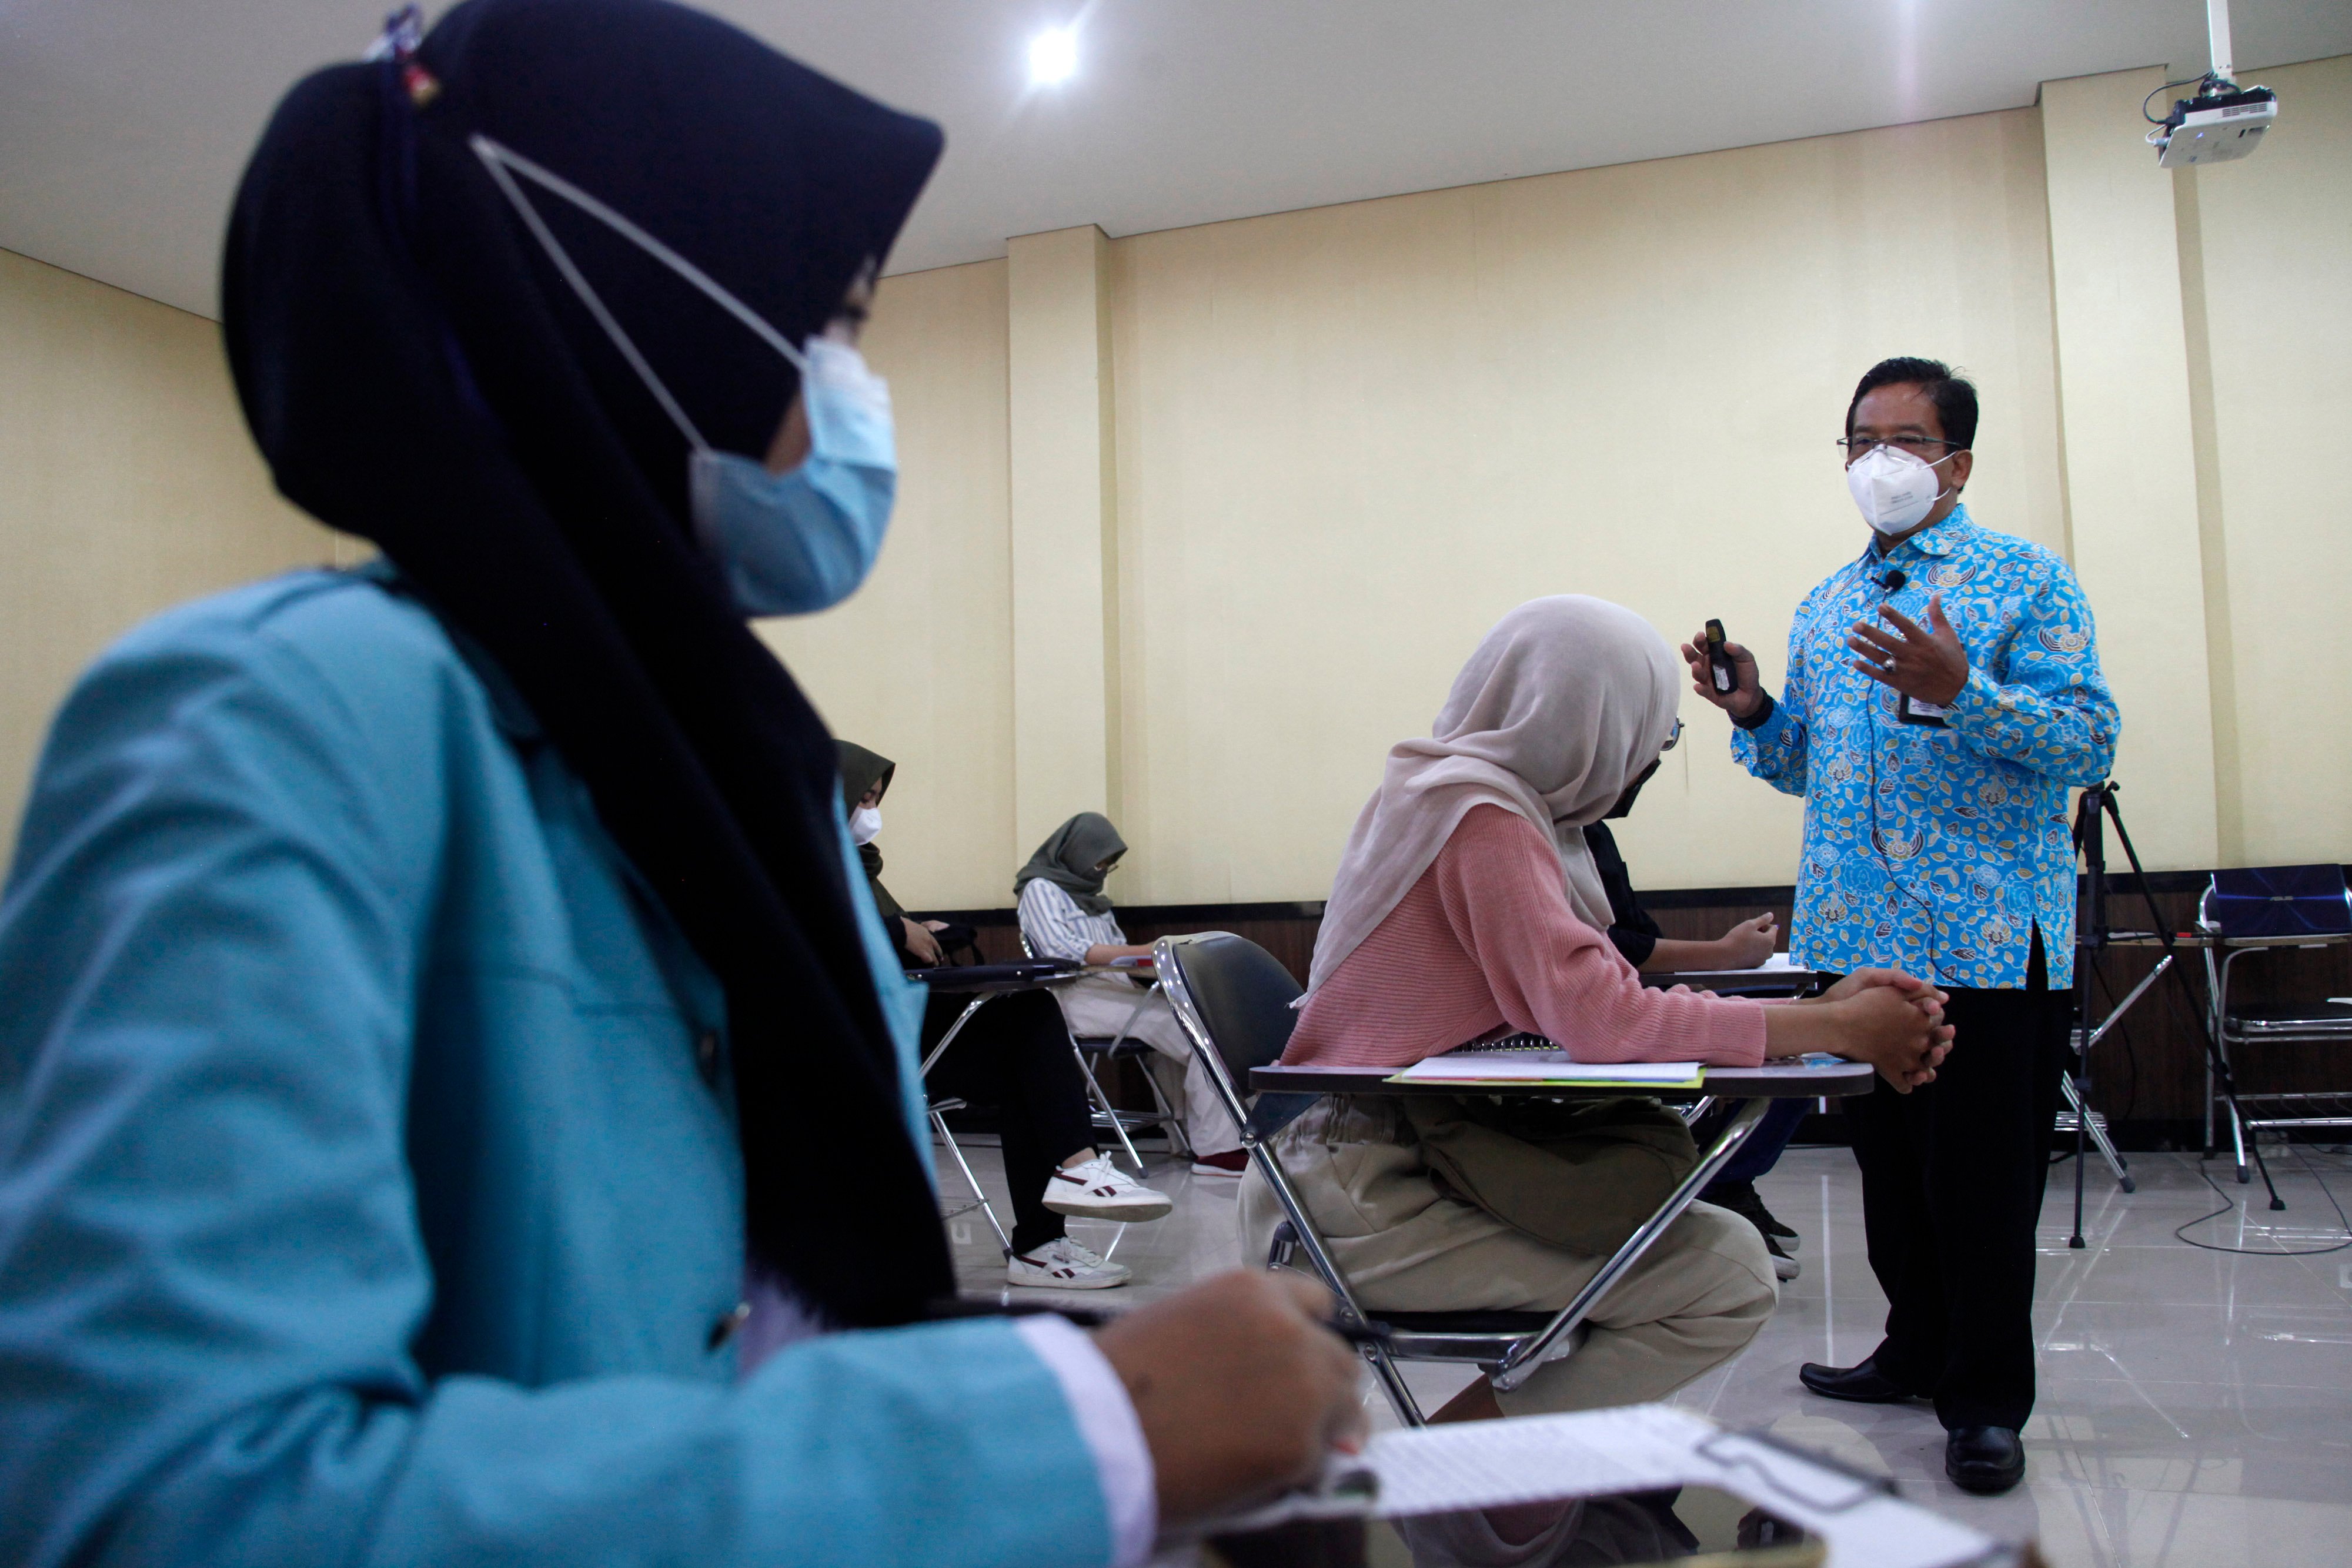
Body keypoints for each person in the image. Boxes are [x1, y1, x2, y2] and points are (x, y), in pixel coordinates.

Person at [0, 6, 1367, 1564]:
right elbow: (168, 1505)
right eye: (834, 323)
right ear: (658, 315)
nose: (853, 396)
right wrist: (1076, 1432)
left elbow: (778, 1335)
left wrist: (1123, 1473)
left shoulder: (741, 765)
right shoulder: (272, 718)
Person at [1246, 596, 1953, 1423]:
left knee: (1709, 1254)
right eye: (1652, 737)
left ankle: (1492, 1475)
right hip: (1361, 1199)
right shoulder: (1483, 818)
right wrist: (1830, 1027)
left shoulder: (1460, 796)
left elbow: (1603, 993)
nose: (1646, 760)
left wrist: (1818, 1014)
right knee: (1726, 1274)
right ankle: (1461, 1477)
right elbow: (1607, 1018)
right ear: (1591, 722)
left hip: (1371, 1166)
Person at [1682, 356, 2117, 1496]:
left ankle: (1982, 1400)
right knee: (1883, 1167)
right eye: (1859, 439)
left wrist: (1962, 686)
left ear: (1956, 461)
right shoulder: (1825, 605)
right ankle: (1909, 1349)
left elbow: (2086, 744)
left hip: (1980, 941)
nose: (1879, 460)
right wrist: (1751, 706)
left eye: (1905, 439)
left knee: (1979, 1183)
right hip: (1851, 939)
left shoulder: (2025, 582)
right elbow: (1806, 769)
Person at [840, 740, 1172, 1289]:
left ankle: (1047, 1235)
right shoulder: (795, 864)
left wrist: (926, 931)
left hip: (901, 1027)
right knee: (1028, 1026)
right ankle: (1075, 1175)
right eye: (862, 797)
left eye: (876, 798)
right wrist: (898, 931)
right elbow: (812, 934)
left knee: (1029, 1029)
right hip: (854, 1044)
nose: (872, 812)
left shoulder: (858, 869)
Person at [1582, 798, 1806, 1283]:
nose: (1653, 764)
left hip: (1623, 1001)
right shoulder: (1542, 826)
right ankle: (1717, 1183)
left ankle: (1728, 1179)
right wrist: (1724, 953)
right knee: (1791, 1040)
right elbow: (1608, 956)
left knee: (1800, 1038)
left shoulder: (1590, 827)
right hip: (1593, 1023)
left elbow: (1632, 940)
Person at [1015, 814, 1249, 1175]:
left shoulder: (1093, 900)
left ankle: (1187, 1138)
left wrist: (1163, 960)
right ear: (1076, 851)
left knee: (1192, 1016)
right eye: (1099, 860)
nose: (1103, 870)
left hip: (1111, 990)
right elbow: (1060, 950)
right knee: (1195, 1030)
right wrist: (1146, 951)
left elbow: (1120, 954)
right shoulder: (1041, 889)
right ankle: (1218, 1151)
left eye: (1110, 863)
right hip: (1075, 998)